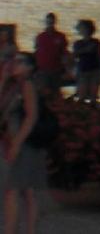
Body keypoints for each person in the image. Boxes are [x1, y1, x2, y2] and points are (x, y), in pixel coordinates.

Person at [2, 54, 47, 234]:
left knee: (16, 189)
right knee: (24, 190)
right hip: (11, 141)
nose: (14, 64)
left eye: (20, 62)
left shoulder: (27, 86)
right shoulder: (11, 87)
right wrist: (4, 78)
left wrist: (17, 143)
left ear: (30, 67)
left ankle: (14, 230)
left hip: (25, 143)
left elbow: (32, 116)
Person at [70, 22, 100, 105]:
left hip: (95, 71)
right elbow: (74, 56)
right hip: (82, 71)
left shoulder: (96, 42)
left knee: (93, 95)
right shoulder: (78, 43)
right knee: (81, 94)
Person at [27, 21, 63, 98]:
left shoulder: (60, 36)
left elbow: (63, 51)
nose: (50, 24)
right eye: (48, 21)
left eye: (51, 21)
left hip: (55, 68)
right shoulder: (40, 36)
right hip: (42, 68)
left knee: (55, 91)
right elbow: (36, 50)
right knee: (43, 90)